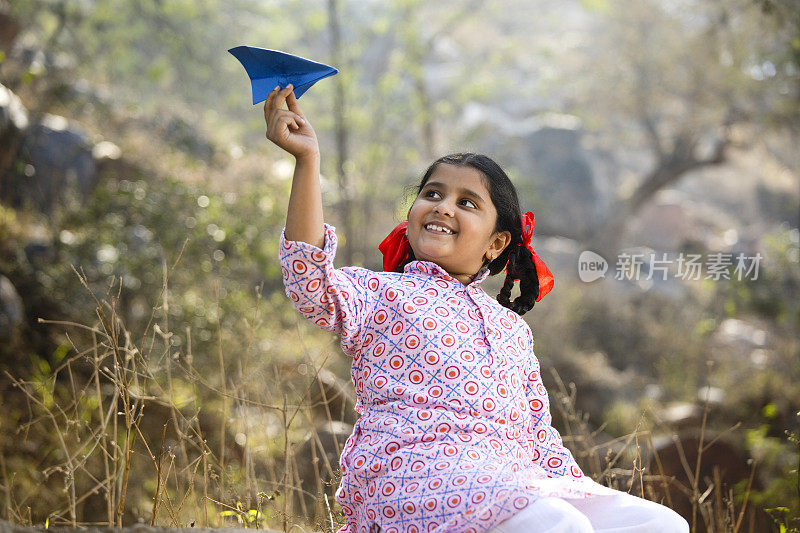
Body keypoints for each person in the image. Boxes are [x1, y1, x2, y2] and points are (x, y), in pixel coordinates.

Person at [265, 84, 689, 533]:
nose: (443, 207)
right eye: (432, 194)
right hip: (408, 478)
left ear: (497, 242)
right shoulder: (381, 291)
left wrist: (574, 489)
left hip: (511, 483)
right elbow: (310, 283)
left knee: (660, 525)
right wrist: (307, 162)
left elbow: (538, 436)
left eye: (467, 203)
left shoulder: (511, 329)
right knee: (556, 525)